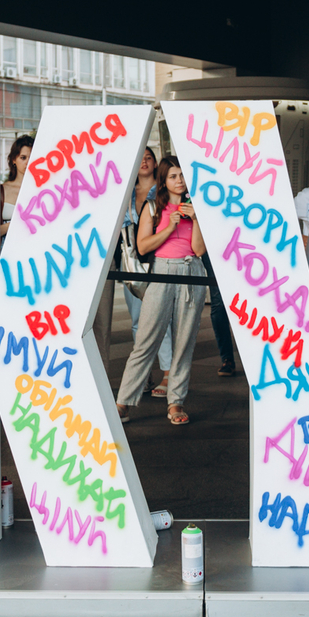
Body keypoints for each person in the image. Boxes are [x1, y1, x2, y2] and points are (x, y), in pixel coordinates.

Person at [115, 156, 206, 426]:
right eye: (173, 176)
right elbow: (143, 247)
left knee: (184, 341)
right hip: (162, 271)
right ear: (164, 181)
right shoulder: (153, 206)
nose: (179, 181)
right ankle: (123, 402)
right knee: (145, 340)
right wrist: (170, 227)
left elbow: (199, 250)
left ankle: (176, 401)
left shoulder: (198, 208)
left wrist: (197, 219)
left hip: (192, 272)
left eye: (182, 175)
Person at [121, 147, 172, 396]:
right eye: (140, 158)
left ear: (155, 163)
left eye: (149, 158)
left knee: (161, 317)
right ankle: (144, 374)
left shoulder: (163, 192)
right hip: (132, 261)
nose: (144, 162)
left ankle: (168, 374)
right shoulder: (126, 192)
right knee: (138, 321)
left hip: (158, 257)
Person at [0, 135, 32, 239]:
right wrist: (16, 223)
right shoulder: (1, 190)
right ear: (14, 159)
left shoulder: (42, 190)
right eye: (23, 158)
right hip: (5, 249)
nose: (28, 162)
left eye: (31, 157)